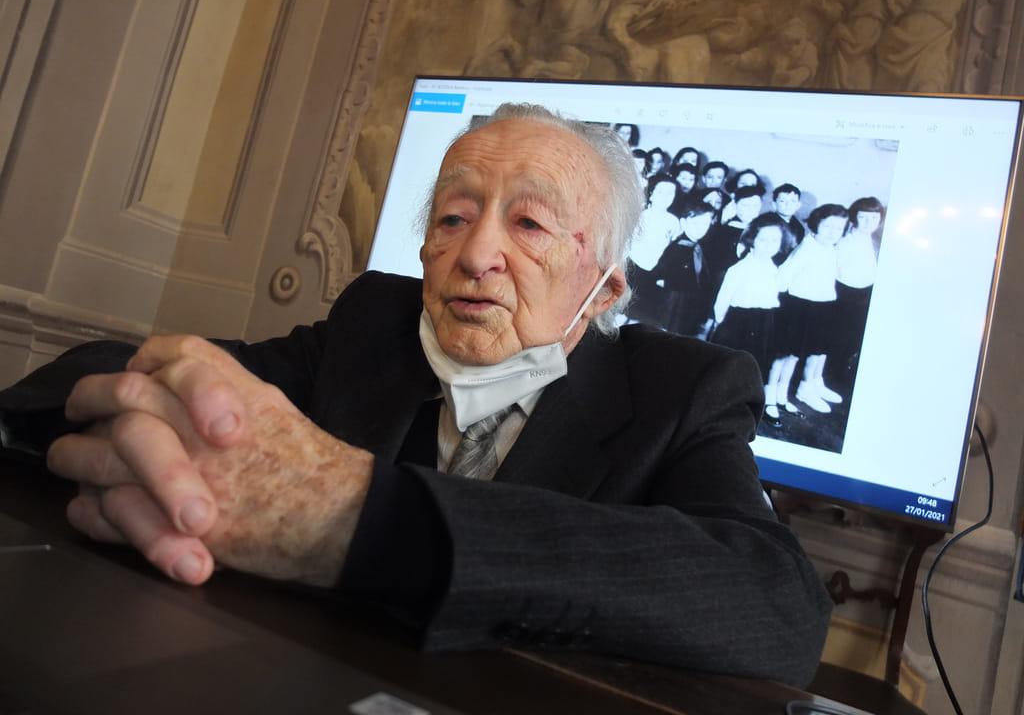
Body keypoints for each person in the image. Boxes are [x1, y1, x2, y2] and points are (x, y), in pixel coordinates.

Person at [0, 104, 830, 686]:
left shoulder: (679, 392)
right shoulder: (375, 325)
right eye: (452, 217)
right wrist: (149, 413)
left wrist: (356, 515)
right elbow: (103, 370)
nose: (476, 256)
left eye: (530, 226)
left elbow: (775, 609)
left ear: (604, 290)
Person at [711, 215, 791, 426]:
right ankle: (721, 404)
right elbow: (723, 299)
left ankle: (746, 403)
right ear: (752, 239)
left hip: (765, 321)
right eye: (763, 240)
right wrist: (720, 322)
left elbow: (778, 293)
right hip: (739, 322)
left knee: (758, 363)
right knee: (733, 365)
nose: (768, 246)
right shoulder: (739, 268)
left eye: (775, 241)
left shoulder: (775, 269)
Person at [776, 204, 849, 414]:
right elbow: (782, 277)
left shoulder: (831, 248)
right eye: (827, 226)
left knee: (819, 350)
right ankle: (785, 393)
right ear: (817, 224)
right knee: (793, 354)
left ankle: (812, 384)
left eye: (838, 228)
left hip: (823, 305)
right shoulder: (807, 248)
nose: (832, 233)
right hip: (801, 307)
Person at [835, 196, 884, 381]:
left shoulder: (875, 242)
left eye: (873, 218)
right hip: (843, 295)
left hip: (864, 295)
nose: (868, 222)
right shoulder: (844, 241)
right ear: (855, 217)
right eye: (863, 217)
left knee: (854, 339)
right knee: (839, 338)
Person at [651, 198, 717, 338]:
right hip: (674, 304)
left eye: (705, 224)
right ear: (683, 222)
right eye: (696, 223)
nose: (701, 228)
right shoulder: (676, 247)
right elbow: (660, 272)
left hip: (690, 305)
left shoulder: (699, 247)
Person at [627, 174, 684, 329]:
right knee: (624, 312)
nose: (665, 197)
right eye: (661, 192)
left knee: (643, 316)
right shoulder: (640, 215)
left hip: (656, 273)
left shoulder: (674, 221)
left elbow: (673, 249)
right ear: (651, 193)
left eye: (670, 193)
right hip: (633, 269)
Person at [769, 183, 806, 265]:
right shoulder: (767, 224)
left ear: (798, 205)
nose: (788, 205)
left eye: (792, 201)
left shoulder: (799, 227)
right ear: (774, 204)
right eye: (782, 201)